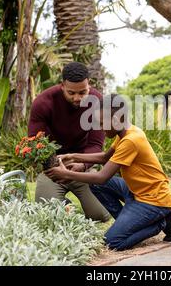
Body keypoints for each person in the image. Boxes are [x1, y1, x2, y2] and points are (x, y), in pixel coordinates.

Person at [44, 94, 171, 251]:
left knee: (112, 242)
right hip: (137, 191)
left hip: (153, 200)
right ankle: (130, 221)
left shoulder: (131, 140)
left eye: (102, 123)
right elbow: (104, 157)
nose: (100, 127)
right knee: (94, 184)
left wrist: (65, 174)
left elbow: (102, 177)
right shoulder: (126, 133)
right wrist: (72, 156)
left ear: (117, 119)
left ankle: (158, 223)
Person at [28, 61, 110, 222]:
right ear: (62, 86)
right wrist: (56, 167)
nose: (77, 98)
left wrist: (81, 165)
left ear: (89, 85)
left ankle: (72, 202)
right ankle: (64, 203)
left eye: (82, 92)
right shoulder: (43, 103)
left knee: (100, 216)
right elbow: (36, 143)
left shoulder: (97, 101)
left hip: (82, 167)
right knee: (48, 214)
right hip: (54, 169)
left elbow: (95, 144)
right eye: (71, 93)